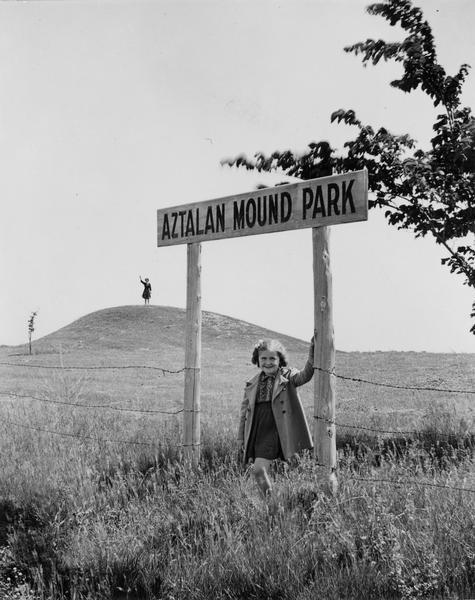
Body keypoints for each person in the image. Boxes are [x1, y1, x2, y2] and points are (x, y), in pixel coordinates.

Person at [238, 336, 315, 503]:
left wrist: (312, 354)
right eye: (263, 358)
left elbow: (305, 376)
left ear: (280, 360)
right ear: (257, 360)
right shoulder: (252, 383)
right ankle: (272, 503)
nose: (268, 362)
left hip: (281, 427)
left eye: (272, 358)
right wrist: (240, 438)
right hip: (258, 430)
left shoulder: (288, 376)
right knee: (258, 470)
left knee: (289, 469)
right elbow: (244, 414)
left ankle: (291, 502)